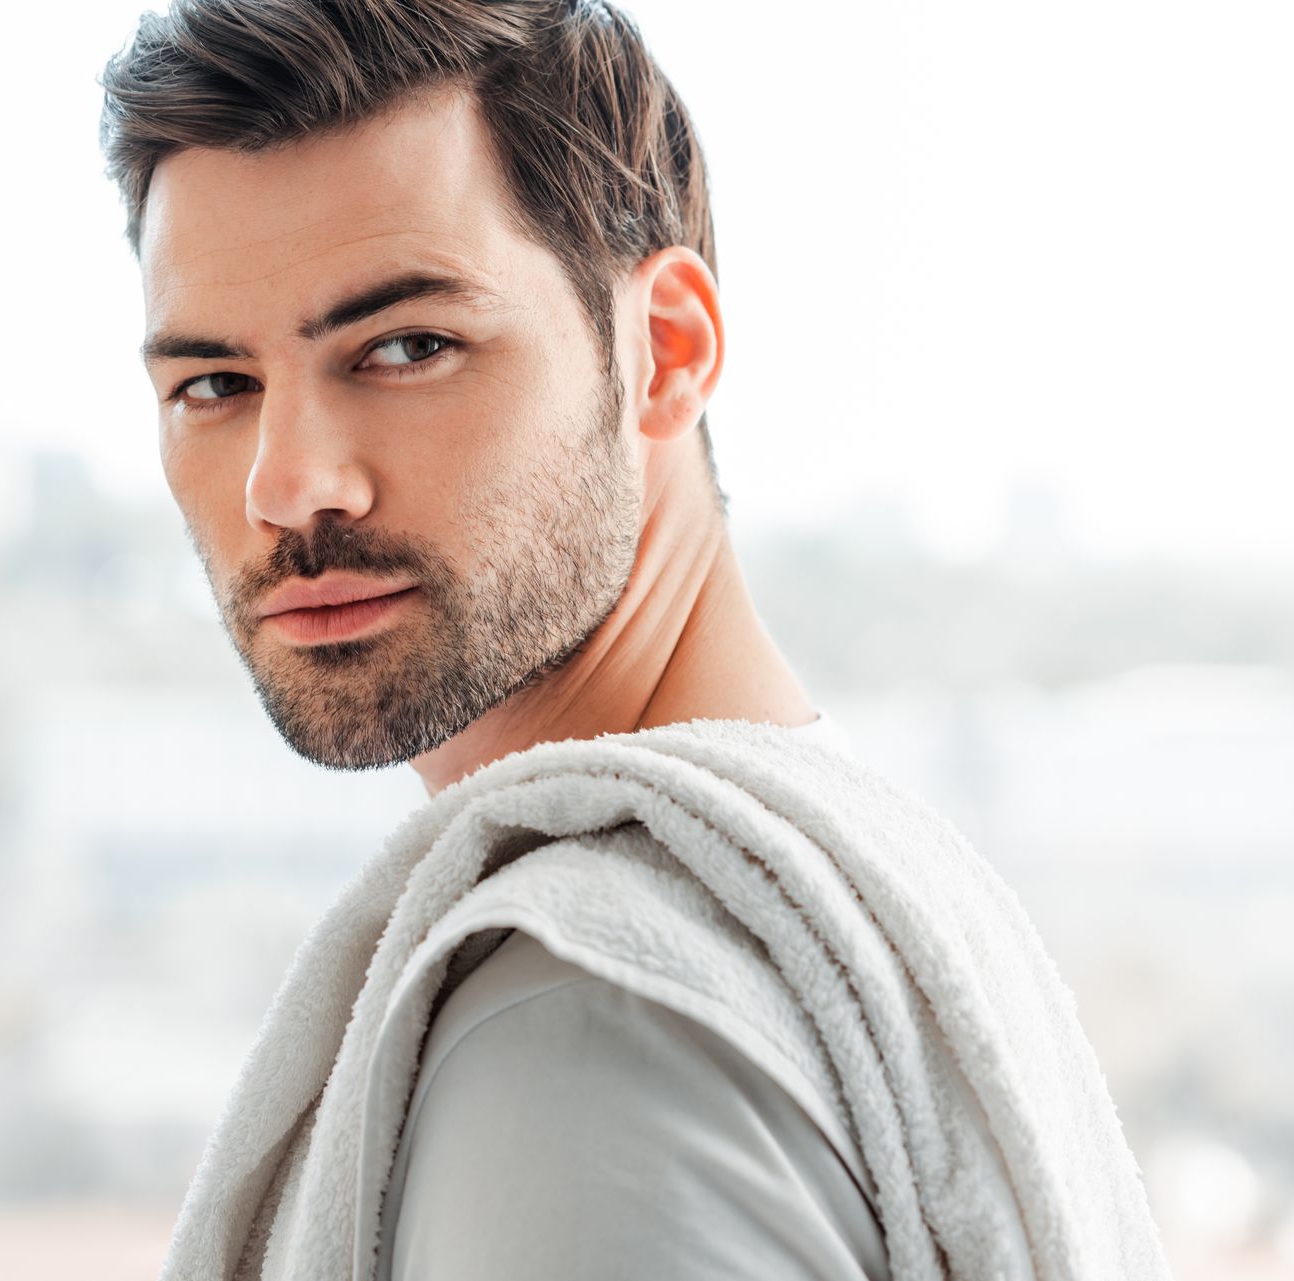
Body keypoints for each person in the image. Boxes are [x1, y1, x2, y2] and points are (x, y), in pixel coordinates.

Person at [98, 3, 1169, 1279]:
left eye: (407, 347)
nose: (291, 483)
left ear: (665, 350)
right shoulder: (877, 898)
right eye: (215, 384)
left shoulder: (585, 1031)